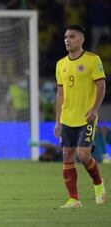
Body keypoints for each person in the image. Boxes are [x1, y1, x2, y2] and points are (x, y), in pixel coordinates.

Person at [54, 24, 106, 208]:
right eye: (66, 36)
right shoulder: (61, 64)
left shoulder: (93, 60)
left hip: (86, 117)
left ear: (81, 39)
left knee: (83, 155)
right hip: (67, 118)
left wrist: (94, 110)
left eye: (72, 36)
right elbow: (60, 94)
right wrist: (58, 120)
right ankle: (74, 199)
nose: (67, 39)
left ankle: (98, 184)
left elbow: (101, 86)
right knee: (67, 155)